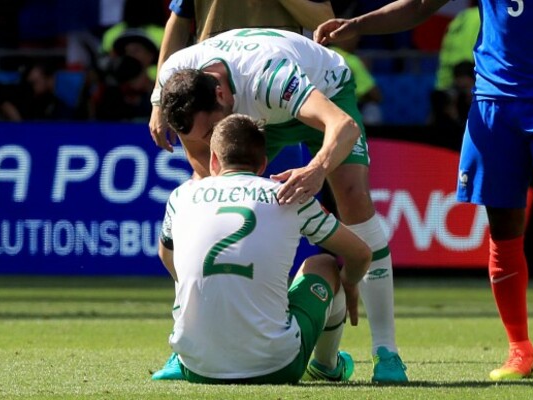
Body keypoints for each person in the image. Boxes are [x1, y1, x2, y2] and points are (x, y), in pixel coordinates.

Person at [315, 0, 533, 381]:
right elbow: (419, 5)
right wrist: (359, 25)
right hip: (493, 105)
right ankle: (519, 350)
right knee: (502, 227)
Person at [153, 28, 409, 383]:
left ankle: (386, 352)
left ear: (221, 93)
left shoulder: (271, 77)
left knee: (353, 200)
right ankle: (196, 330)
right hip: (254, 112)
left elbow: (343, 126)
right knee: (204, 198)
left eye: (213, 129)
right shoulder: (176, 76)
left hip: (323, 97)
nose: (210, 140)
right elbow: (195, 147)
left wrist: (317, 170)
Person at [157, 114, 370, 384]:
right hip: (277, 366)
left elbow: (166, 256)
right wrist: (349, 283)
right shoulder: (290, 196)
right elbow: (360, 253)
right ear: (263, 164)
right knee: (324, 265)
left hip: (197, 367)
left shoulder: (181, 196)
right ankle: (327, 365)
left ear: (213, 161)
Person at [149, 0, 335, 142]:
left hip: (281, 86)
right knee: (217, 179)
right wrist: (159, 101)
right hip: (215, 97)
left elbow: (327, 22)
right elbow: (179, 22)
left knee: (291, 181)